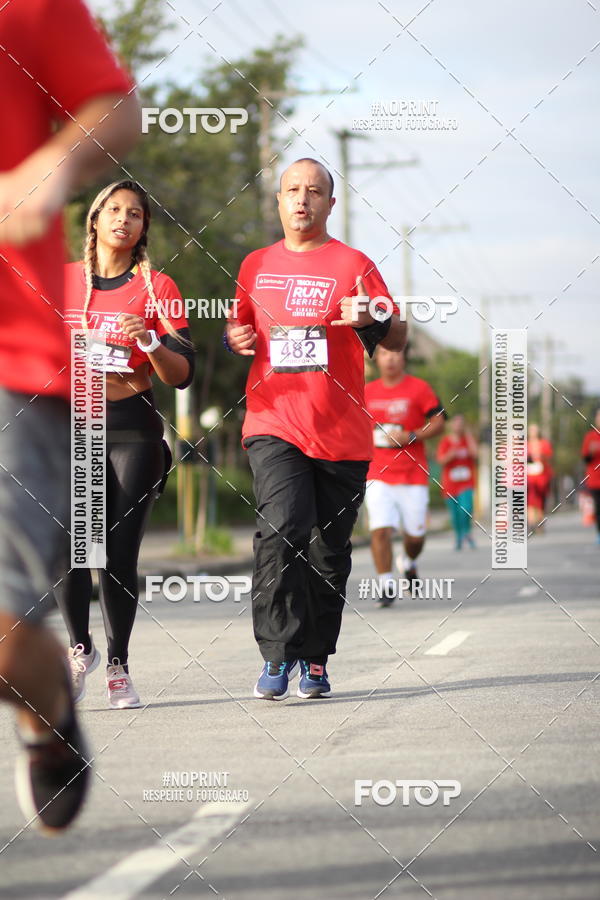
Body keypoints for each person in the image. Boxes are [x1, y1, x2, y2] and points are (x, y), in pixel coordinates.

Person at [0, 0, 139, 832]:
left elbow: (115, 106)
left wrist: (52, 165)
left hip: (12, 360)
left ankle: (46, 712)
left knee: (6, 628)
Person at [225, 157, 405, 700]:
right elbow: (242, 329)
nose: (302, 199)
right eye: (292, 191)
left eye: (314, 191)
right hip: (273, 421)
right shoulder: (255, 264)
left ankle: (316, 660)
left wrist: (370, 320)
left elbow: (395, 341)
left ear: (331, 203)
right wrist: (238, 341)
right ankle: (278, 655)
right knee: (283, 528)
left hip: (342, 431)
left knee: (329, 550)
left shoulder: (354, 263)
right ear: (278, 201)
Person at [56, 180, 194, 709]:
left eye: (135, 213)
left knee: (116, 552)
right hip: (76, 424)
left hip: (133, 429)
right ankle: (80, 647)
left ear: (143, 229)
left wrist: (149, 341)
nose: (123, 219)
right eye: (113, 210)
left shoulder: (159, 288)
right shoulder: (64, 283)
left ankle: (118, 663)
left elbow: (181, 375)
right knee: (70, 544)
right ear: (94, 221)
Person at [364, 345, 446, 605]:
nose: (390, 358)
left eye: (395, 353)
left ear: (403, 357)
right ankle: (386, 585)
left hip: (412, 474)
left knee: (415, 537)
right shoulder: (366, 391)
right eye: (385, 354)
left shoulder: (419, 388)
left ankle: (408, 561)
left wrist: (413, 435)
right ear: (376, 358)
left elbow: (439, 420)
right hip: (377, 472)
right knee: (380, 530)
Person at [437, 414, 478, 550]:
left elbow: (475, 454)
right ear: (452, 426)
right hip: (450, 483)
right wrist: (450, 455)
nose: (459, 427)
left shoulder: (467, 440)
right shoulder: (446, 442)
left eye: (462, 424)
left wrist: (468, 436)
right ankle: (459, 535)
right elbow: (441, 460)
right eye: (456, 424)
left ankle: (467, 532)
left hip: (466, 482)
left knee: (466, 508)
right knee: (455, 513)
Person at [526, 423, 553, 534]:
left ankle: (540, 523)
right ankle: (531, 523)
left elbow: (548, 458)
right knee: (530, 502)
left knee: (540, 502)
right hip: (529, 477)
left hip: (542, 477)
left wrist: (540, 455)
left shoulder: (544, 444)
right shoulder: (525, 445)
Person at [581, 409, 600, 543]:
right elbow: (585, 458)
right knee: (598, 508)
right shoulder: (590, 437)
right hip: (595, 480)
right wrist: (591, 453)